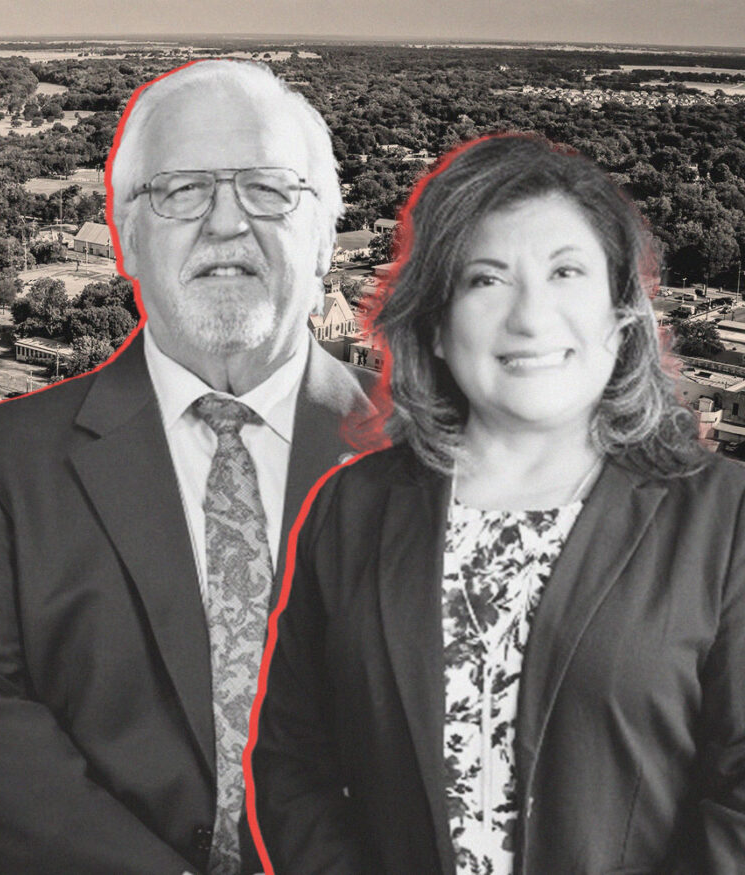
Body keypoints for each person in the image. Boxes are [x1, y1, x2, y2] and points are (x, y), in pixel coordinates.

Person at [0, 61, 374, 875]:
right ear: (125, 235)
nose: (227, 224)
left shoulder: (452, 456)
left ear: (327, 232)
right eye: (183, 191)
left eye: (269, 188)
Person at [248, 134, 745, 873]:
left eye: (566, 272)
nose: (529, 317)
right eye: (486, 279)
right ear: (438, 326)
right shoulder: (352, 509)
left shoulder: (724, 519)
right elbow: (292, 761)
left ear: (620, 313)